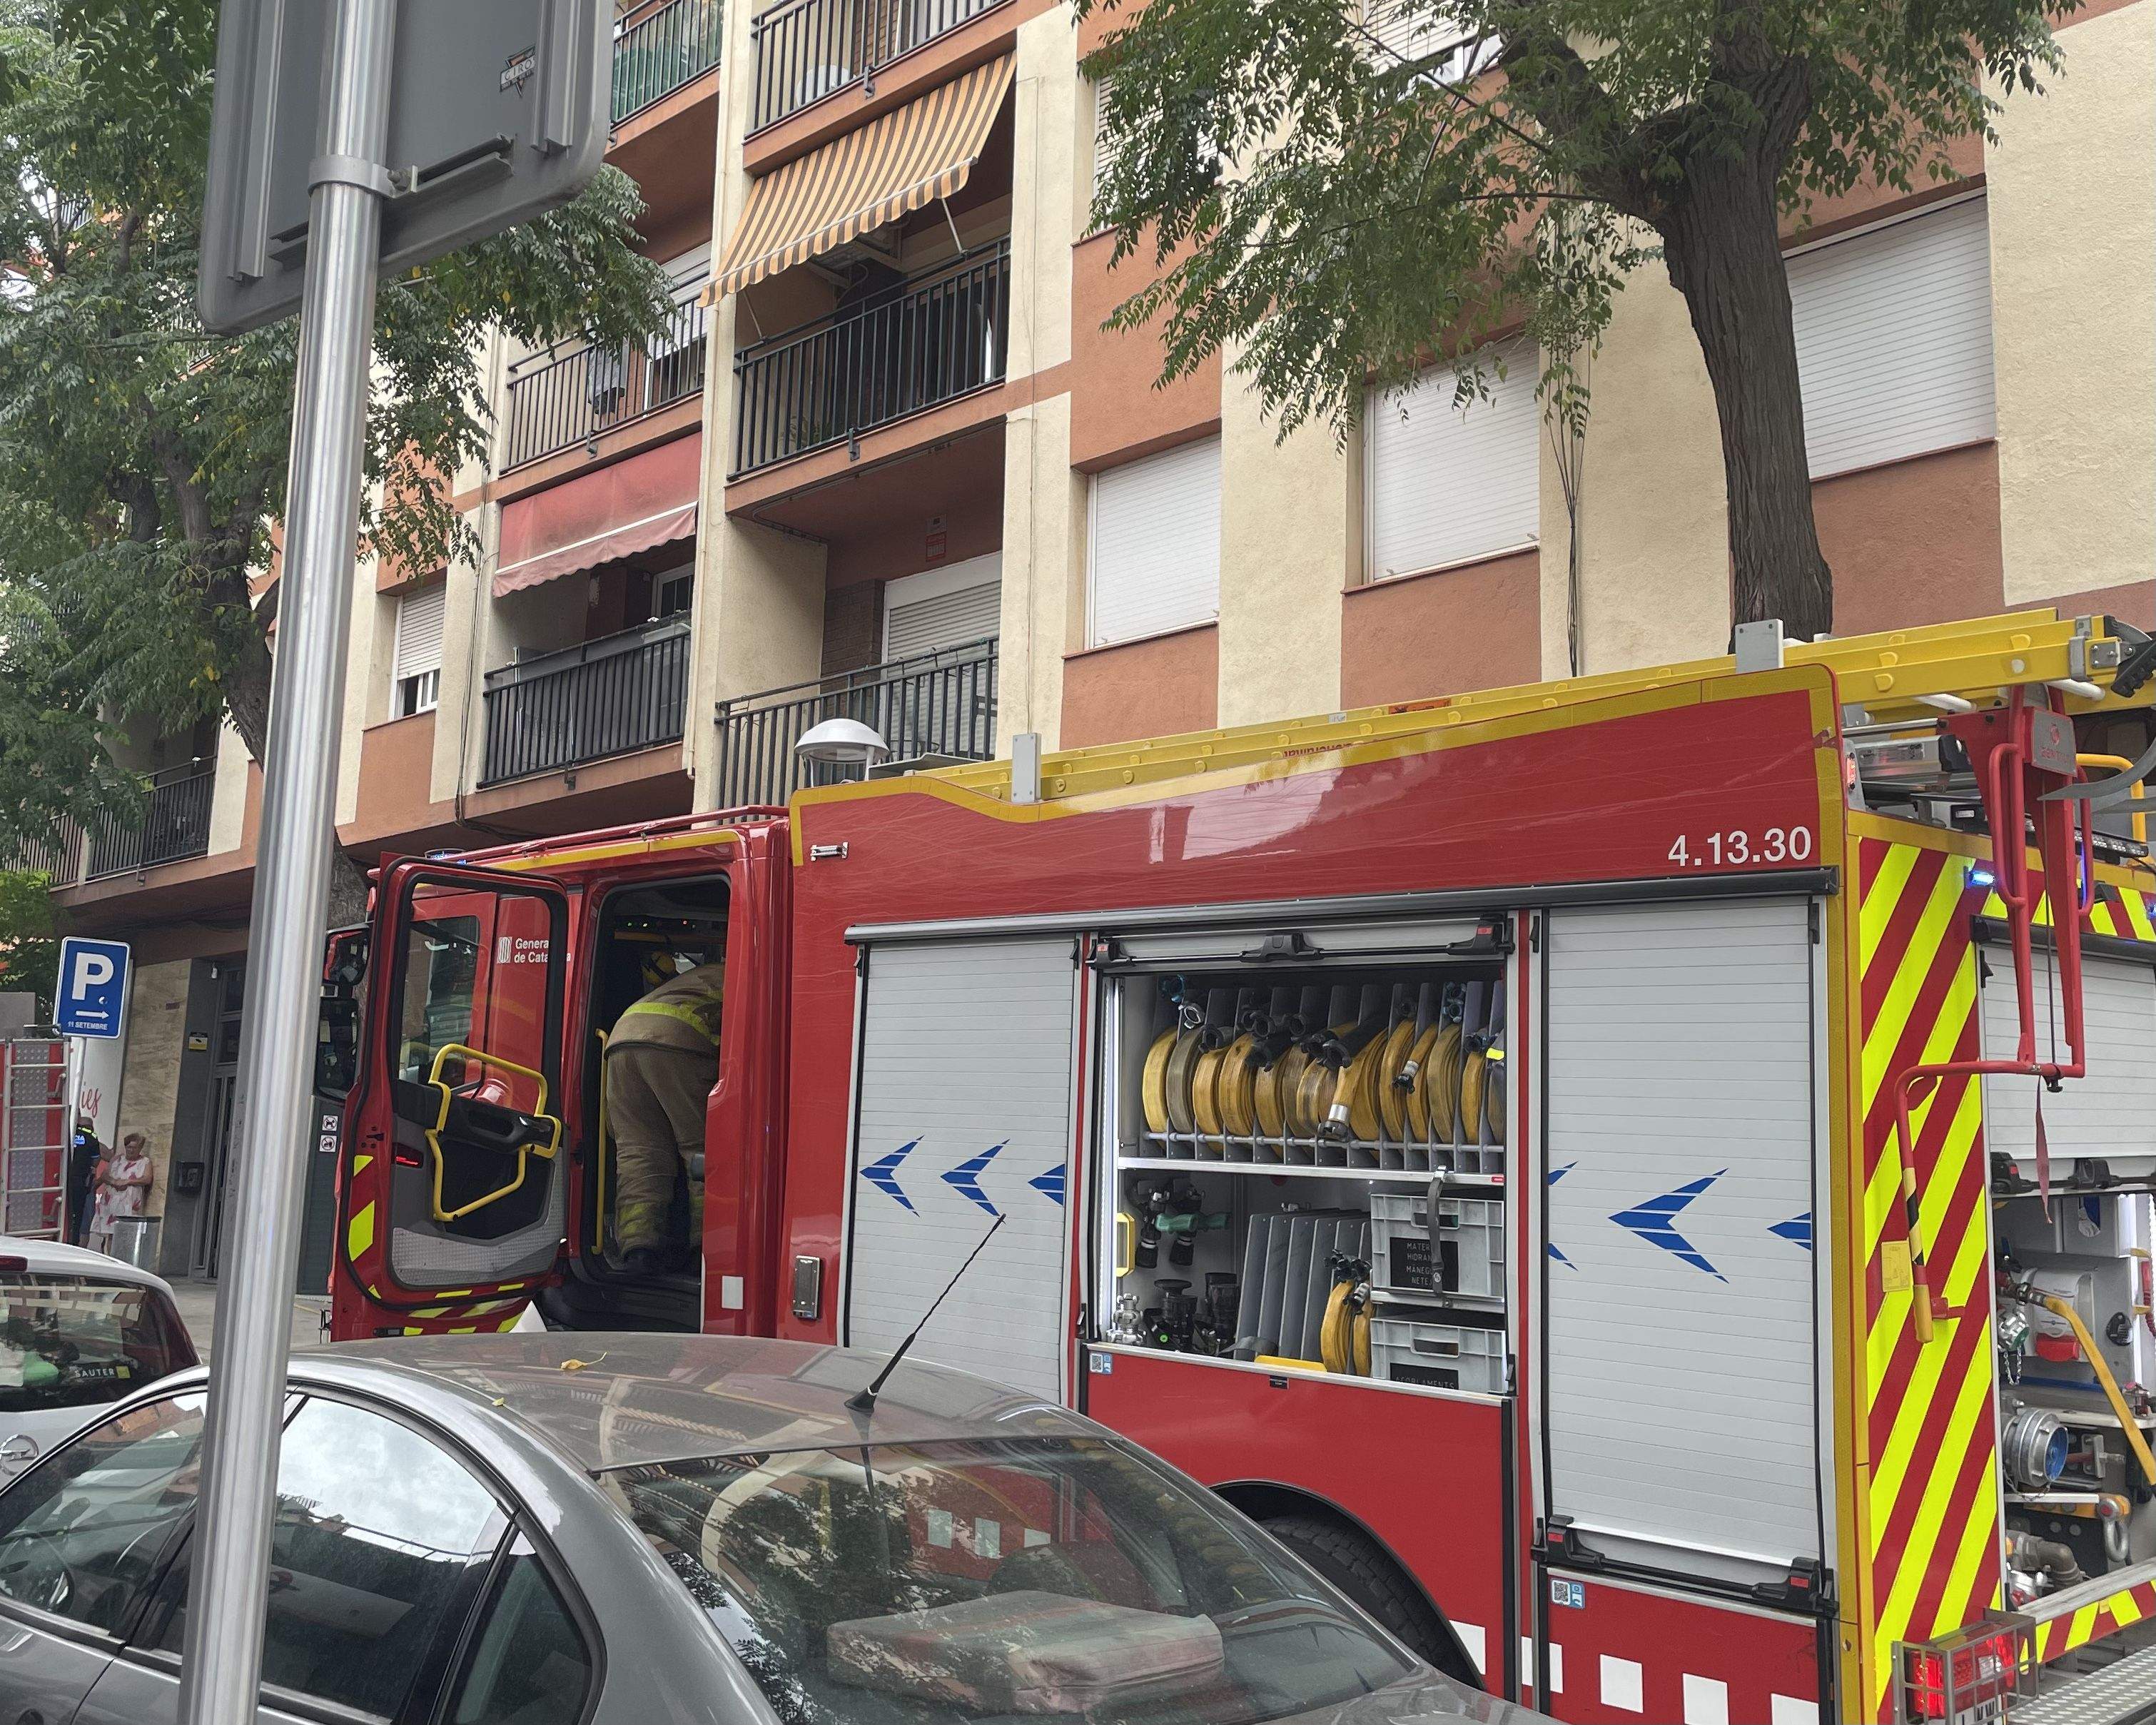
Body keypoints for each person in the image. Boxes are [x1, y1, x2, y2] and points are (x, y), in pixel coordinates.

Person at [605, 960, 725, 1275]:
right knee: (700, 1149)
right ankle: (704, 1251)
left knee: (639, 1151)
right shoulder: (754, 972)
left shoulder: (700, 976)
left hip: (621, 1040)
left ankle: (639, 1250)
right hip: (678, 1041)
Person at [86, 1132, 153, 1258]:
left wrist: (128, 1181)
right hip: (112, 1201)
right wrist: (114, 1182)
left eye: (134, 1148)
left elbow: (147, 1179)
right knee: (112, 1233)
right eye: (129, 1147)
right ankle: (112, 1257)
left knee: (127, 1233)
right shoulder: (117, 1160)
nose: (131, 1150)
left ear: (140, 1148)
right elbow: (105, 1175)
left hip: (129, 1203)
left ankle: (124, 1259)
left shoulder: (145, 1162)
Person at [66, 1115, 104, 1245]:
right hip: (81, 1183)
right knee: (80, 1220)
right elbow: (97, 1159)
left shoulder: (65, 1135)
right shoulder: (91, 1137)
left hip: (65, 1181)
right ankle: (76, 1246)